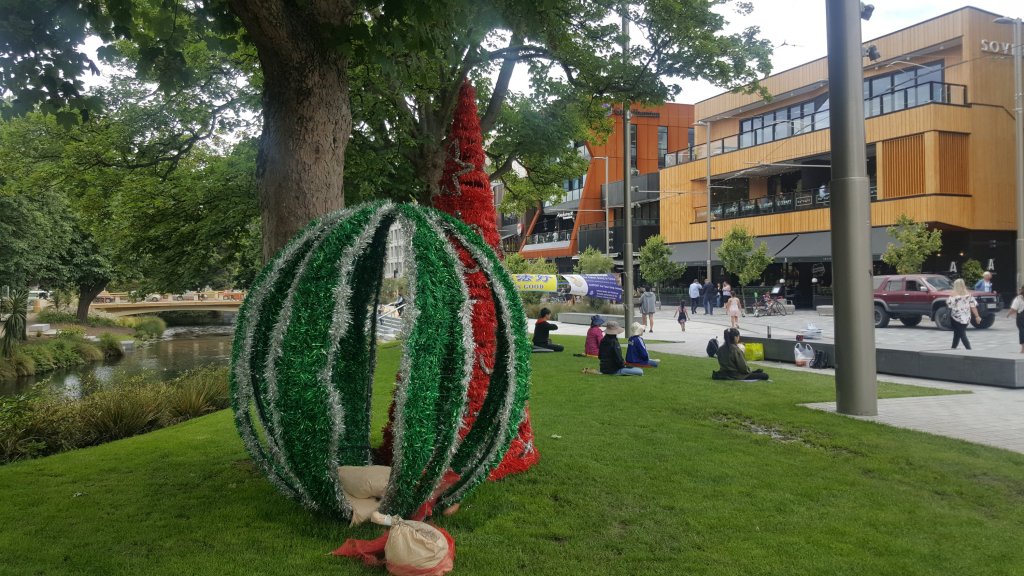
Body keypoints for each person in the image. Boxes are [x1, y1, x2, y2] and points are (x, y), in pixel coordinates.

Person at [948, 278, 982, 350]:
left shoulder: (953, 295)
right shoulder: (969, 295)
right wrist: (977, 316)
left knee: (961, 334)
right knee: (957, 333)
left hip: (956, 317)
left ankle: (969, 349)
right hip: (966, 318)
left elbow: (950, 305)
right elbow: (973, 307)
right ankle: (953, 347)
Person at [1007, 285, 1024, 354]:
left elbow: (1014, 308)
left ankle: (1023, 350)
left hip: (1022, 317)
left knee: (1022, 332)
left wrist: (1008, 314)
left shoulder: (1019, 298)